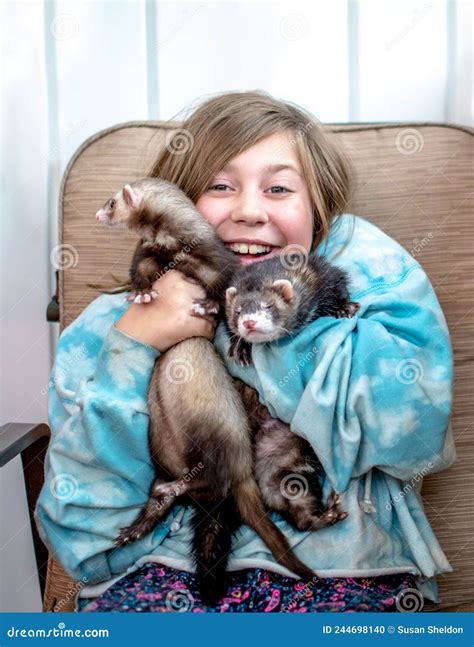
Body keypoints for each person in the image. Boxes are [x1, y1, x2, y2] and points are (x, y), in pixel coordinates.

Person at [35, 91, 455, 613]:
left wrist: (279, 318)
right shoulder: (112, 327)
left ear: (320, 213)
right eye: (219, 186)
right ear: (175, 204)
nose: (251, 210)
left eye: (279, 188)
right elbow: (81, 537)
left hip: (346, 572)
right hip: (159, 576)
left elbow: (412, 439)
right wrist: (137, 342)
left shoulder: (347, 304)